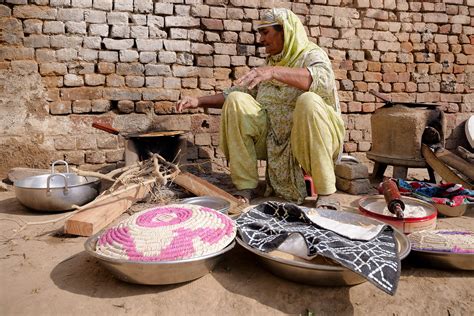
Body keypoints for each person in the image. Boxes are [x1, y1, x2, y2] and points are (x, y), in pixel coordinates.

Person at [176, 8, 345, 205]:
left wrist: (274, 72)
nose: (261, 39)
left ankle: (326, 192)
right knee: (237, 100)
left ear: (285, 31)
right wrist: (199, 101)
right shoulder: (271, 63)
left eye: (266, 32)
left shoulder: (311, 54)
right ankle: (246, 187)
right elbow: (236, 93)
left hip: (308, 138)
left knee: (308, 101)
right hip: (272, 138)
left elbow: (322, 81)